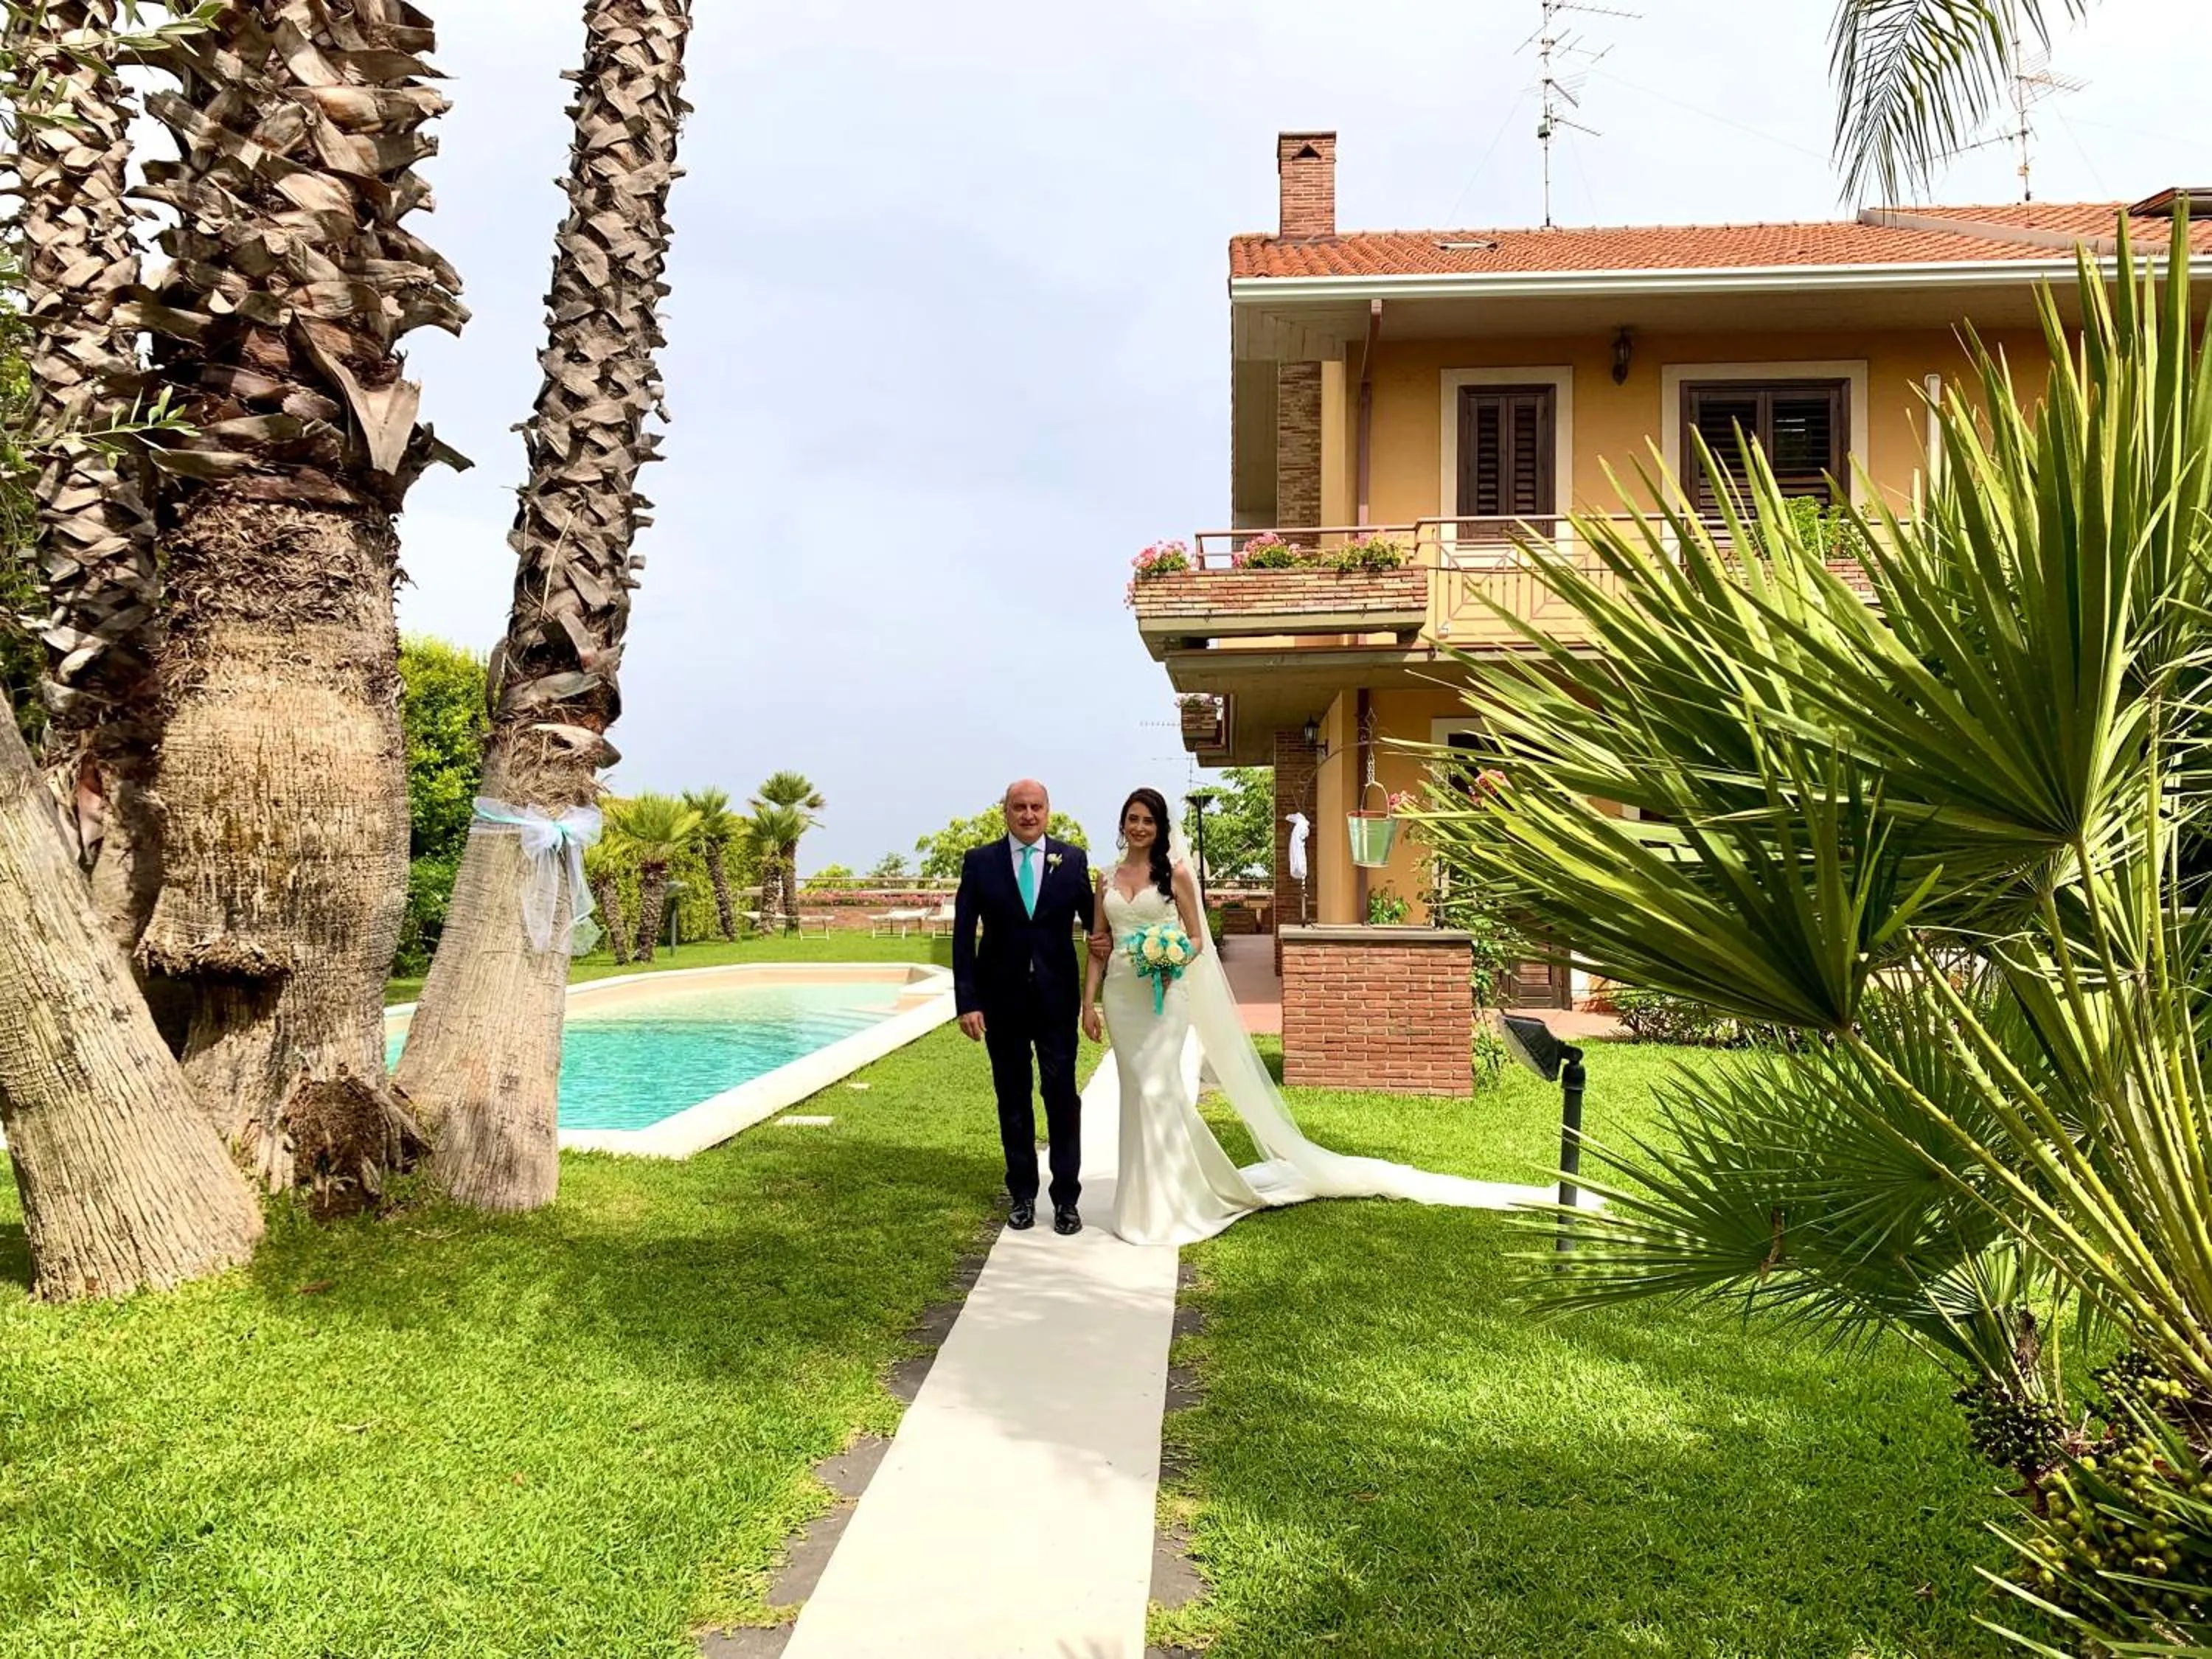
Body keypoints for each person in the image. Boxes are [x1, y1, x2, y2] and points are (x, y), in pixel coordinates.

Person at [1085, 785, 1531, 1247]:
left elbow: (1198, 940)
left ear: (1160, 828)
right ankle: (1141, 1199)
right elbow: (1099, 945)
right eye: (1133, 819)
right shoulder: (1104, 879)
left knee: (1160, 1091)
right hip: (1123, 999)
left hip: (1165, 998)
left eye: (1148, 820)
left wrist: (1171, 956)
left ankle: (1171, 1203)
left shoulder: (1176, 874)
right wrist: (1089, 1003)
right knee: (1137, 1095)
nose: (1139, 827)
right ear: (1123, 823)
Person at [950, 779, 1096, 1237]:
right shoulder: (980, 862)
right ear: (1006, 812)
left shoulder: (1071, 860)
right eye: (1019, 807)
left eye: (1036, 807)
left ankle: (1067, 1199)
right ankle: (1023, 1195)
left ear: (1048, 811)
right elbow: (962, 936)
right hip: (1002, 1002)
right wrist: (968, 1001)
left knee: (1061, 1097)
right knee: (1012, 1098)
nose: (1028, 815)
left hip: (1056, 1001)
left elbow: (1098, 928)